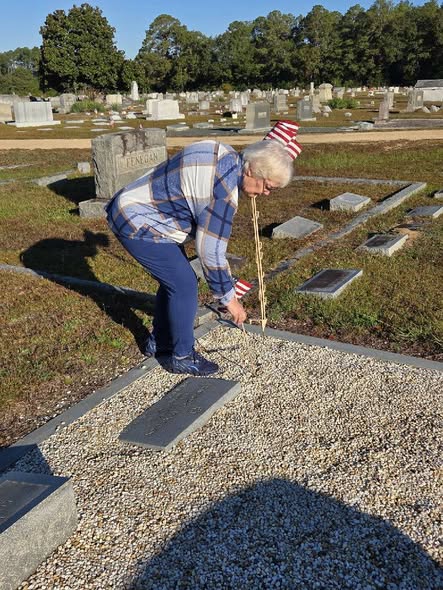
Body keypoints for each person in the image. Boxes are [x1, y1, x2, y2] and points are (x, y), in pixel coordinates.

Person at [105, 120, 302, 376]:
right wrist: (230, 301)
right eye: (268, 187)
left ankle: (160, 341)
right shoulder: (221, 196)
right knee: (185, 283)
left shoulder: (227, 154)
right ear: (253, 171)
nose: (266, 194)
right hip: (138, 221)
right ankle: (182, 356)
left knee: (175, 281)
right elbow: (210, 253)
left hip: (144, 209)